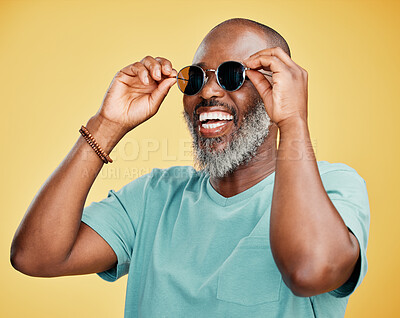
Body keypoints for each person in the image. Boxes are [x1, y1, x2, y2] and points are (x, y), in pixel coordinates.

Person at [10, 18, 370, 317]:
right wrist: (107, 124)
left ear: (277, 86)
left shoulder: (332, 187)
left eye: (231, 75)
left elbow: (309, 271)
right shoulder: (156, 196)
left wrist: (293, 119)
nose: (207, 92)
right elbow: (35, 256)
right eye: (195, 78)